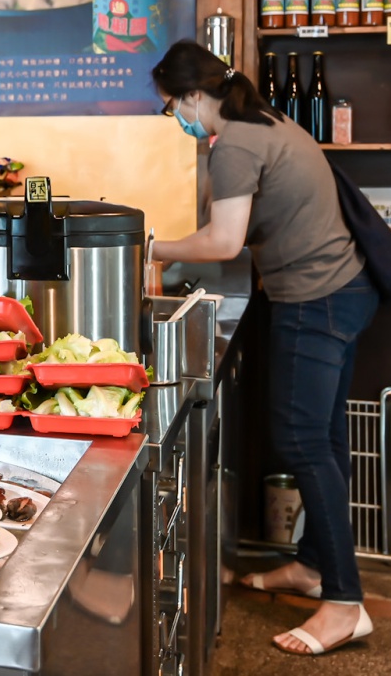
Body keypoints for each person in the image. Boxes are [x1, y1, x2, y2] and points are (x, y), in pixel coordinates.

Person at [148, 40, 375, 657]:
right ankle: (312, 567)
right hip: (343, 290)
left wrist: (151, 249)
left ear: (195, 96)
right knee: (322, 438)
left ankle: (345, 604)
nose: (177, 120)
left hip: (316, 297)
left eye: (172, 107)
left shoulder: (236, 144)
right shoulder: (264, 120)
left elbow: (224, 242)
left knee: (303, 441)